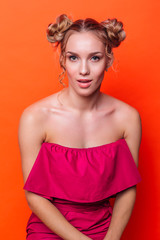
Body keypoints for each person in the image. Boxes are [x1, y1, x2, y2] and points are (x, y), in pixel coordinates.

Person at [18, 14, 142, 240]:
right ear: (63, 60)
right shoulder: (34, 117)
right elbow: (34, 195)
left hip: (105, 230)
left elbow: (127, 189)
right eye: (73, 58)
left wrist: (112, 238)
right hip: (50, 229)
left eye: (94, 58)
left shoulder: (127, 118)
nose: (83, 70)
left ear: (108, 60)